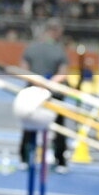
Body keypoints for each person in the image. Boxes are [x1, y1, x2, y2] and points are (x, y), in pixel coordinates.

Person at [18, 19, 70, 173]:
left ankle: (24, 159)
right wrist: (48, 85)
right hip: (53, 95)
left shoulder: (31, 48)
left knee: (29, 126)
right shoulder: (60, 50)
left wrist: (38, 83)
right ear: (56, 32)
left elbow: (24, 71)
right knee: (59, 128)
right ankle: (60, 162)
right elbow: (63, 75)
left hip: (33, 92)